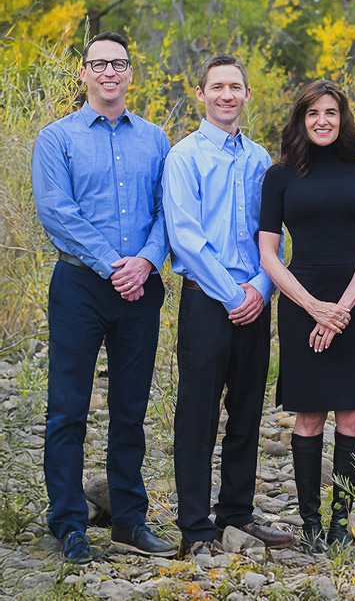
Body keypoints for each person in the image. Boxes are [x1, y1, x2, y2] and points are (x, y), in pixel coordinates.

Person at [31, 31, 176, 563]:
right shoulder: (57, 138)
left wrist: (145, 261)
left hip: (140, 286)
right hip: (80, 287)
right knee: (66, 409)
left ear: (131, 73)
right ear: (84, 73)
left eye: (119, 63)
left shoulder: (156, 139)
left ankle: (129, 520)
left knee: (130, 409)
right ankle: (68, 522)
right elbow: (56, 212)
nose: (109, 72)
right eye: (99, 64)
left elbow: (168, 210)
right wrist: (113, 264)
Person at [163, 54, 296, 558]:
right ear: (200, 94)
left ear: (246, 95)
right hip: (206, 302)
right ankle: (195, 526)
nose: (225, 95)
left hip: (254, 303)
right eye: (216, 86)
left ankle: (236, 514)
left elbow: (272, 236)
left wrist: (261, 289)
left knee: (246, 410)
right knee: (197, 414)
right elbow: (186, 238)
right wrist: (233, 293)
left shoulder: (261, 159)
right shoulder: (185, 157)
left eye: (234, 87)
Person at [258, 80, 355, 552]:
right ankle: (310, 523)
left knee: (352, 415)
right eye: (313, 114)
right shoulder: (280, 176)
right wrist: (313, 307)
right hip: (300, 303)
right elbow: (268, 253)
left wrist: (343, 308)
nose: (323, 121)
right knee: (308, 416)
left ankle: (339, 525)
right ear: (300, 121)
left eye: (331, 112)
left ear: (342, 118)